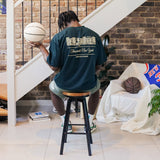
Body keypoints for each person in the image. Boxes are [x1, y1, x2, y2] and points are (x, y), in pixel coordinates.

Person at [30, 10, 106, 133]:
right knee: (96, 88)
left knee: (52, 88)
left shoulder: (59, 37)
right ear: (76, 19)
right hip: (88, 84)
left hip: (65, 85)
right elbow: (99, 65)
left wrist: (41, 47)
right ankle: (90, 121)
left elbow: (53, 66)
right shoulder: (95, 36)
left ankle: (65, 121)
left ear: (63, 24)